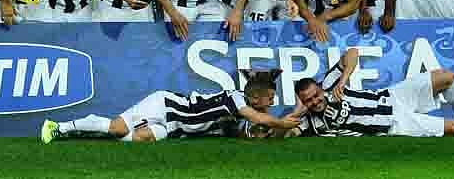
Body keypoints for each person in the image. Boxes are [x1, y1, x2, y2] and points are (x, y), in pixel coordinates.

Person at [286, 48, 454, 139]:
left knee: (446, 77)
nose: (316, 101)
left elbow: (352, 52)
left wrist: (344, 77)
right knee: (450, 129)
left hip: (391, 97)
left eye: (315, 95)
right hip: (394, 123)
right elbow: (285, 130)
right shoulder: (311, 122)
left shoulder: (330, 83)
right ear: (304, 103)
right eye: (309, 100)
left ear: (320, 88)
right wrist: (297, 112)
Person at [40, 70, 299, 143]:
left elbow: (248, 134)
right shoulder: (237, 101)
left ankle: (85, 133)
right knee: (118, 128)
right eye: (270, 98)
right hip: (164, 106)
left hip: (173, 126)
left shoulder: (237, 108)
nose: (273, 102)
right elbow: (260, 119)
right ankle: (59, 127)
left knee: (131, 140)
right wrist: (283, 122)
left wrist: (274, 132)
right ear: (255, 99)